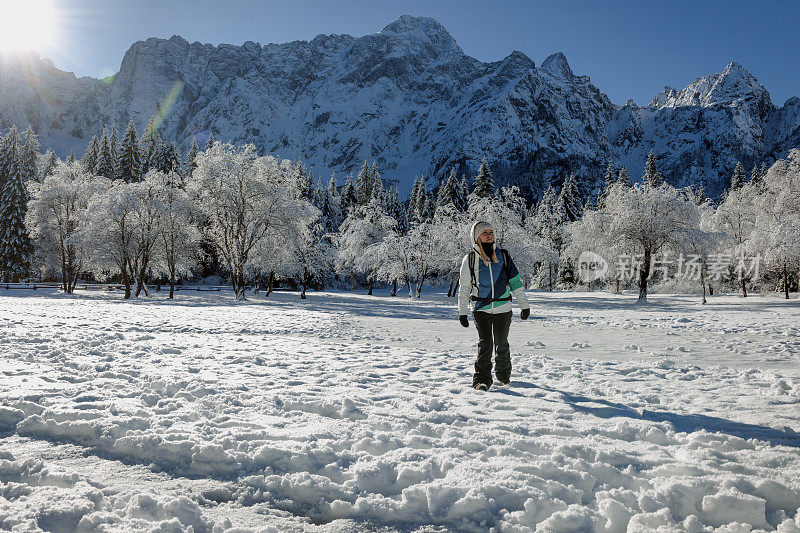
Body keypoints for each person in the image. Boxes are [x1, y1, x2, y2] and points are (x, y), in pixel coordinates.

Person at [458, 221, 530, 390]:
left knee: (501, 343)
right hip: (481, 308)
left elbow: (515, 283)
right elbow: (465, 288)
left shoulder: (503, 256)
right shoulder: (470, 259)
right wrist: (462, 312)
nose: (489, 235)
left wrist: (524, 305)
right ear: (476, 237)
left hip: (503, 307)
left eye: (491, 232)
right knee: (486, 343)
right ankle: (481, 380)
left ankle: (504, 377)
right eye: (485, 232)